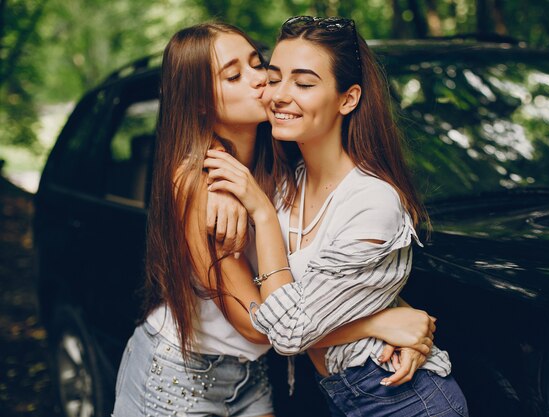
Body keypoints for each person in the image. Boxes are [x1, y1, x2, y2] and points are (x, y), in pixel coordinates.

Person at [113, 21, 436, 417]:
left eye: (257, 64)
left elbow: (327, 273)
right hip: (178, 373)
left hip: (253, 373)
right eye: (234, 75)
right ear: (199, 102)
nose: (260, 82)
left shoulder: (284, 160)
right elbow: (256, 325)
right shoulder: (199, 180)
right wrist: (380, 322)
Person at [204, 16, 468, 417]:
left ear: (348, 98)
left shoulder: (373, 201)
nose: (280, 94)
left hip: (404, 400)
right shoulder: (284, 187)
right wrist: (383, 322)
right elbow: (195, 117)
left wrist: (260, 211)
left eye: (305, 83)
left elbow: (290, 331)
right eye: (274, 78)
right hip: (339, 395)